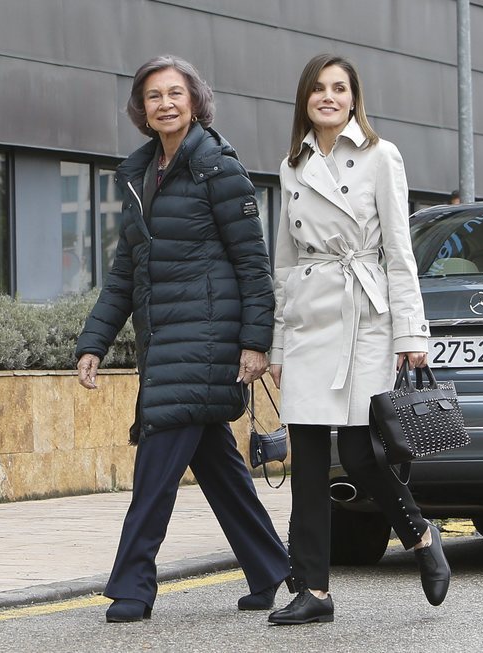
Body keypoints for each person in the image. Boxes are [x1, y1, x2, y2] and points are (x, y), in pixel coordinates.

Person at [75, 54, 290, 623]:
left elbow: (252, 264)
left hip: (207, 343)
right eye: (153, 97)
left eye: (175, 93)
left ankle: (131, 587)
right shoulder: (144, 175)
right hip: (165, 343)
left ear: (194, 101)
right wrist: (93, 342)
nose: (165, 104)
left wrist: (255, 342)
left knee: (156, 468)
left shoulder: (219, 169)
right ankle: (272, 568)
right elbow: (126, 272)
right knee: (218, 465)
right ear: (141, 111)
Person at [267, 54, 451, 625]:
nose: (328, 97)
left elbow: (399, 250)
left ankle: (420, 534)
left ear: (353, 98)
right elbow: (284, 260)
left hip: (364, 315)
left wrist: (411, 332)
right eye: (318, 88)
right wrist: (276, 344)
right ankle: (314, 589)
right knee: (309, 459)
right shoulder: (291, 166)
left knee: (359, 453)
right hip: (307, 318)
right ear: (305, 99)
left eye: (339, 88)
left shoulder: (380, 154)